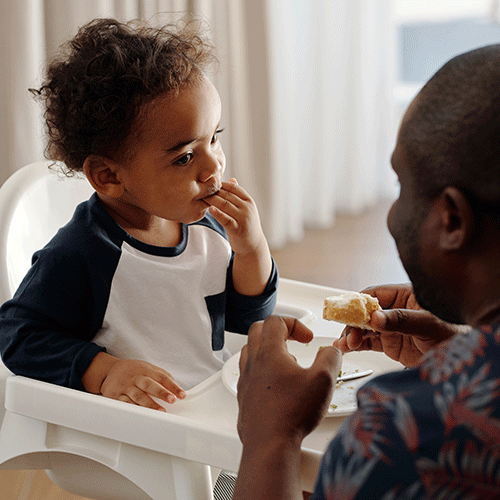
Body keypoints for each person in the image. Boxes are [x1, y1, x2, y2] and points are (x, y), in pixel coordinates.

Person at [232, 43, 500, 500]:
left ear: (452, 219)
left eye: (401, 185)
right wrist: (463, 355)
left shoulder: (401, 432)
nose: (393, 213)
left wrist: (269, 440)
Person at [0, 18, 278, 412]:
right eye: (184, 157)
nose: (212, 167)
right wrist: (107, 372)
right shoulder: (82, 253)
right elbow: (17, 336)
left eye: (214, 137)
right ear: (109, 176)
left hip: (205, 411)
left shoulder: (205, 225)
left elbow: (245, 320)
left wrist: (253, 250)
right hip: (134, 436)